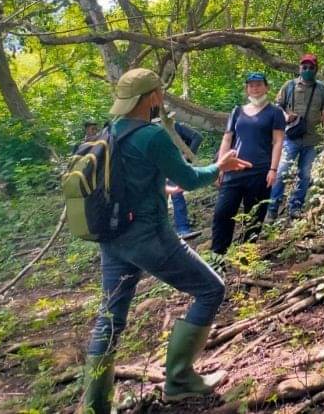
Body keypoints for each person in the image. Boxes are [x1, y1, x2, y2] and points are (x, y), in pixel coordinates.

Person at [81, 68, 251, 413]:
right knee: (210, 289)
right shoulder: (153, 135)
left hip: (113, 238)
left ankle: (95, 405)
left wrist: (160, 187)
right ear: (154, 97)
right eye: (159, 93)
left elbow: (125, 181)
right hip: (150, 236)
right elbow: (190, 179)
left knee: (110, 316)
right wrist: (221, 165)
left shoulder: (109, 132)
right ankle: (179, 380)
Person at [211, 72, 285, 254]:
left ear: (266, 87)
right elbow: (227, 140)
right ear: (247, 89)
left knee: (254, 217)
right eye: (251, 85)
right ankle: (217, 257)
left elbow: (278, 142)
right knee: (222, 213)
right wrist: (219, 167)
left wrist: (273, 169)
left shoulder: (275, 112)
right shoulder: (237, 111)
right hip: (233, 171)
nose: (255, 88)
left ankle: (246, 257)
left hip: (260, 171)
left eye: (259, 84)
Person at [267, 55, 324, 220]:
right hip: (290, 136)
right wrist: (286, 115)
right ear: (300, 68)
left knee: (305, 174)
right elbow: (277, 105)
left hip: (312, 139)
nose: (307, 70)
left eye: (311, 67)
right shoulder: (290, 86)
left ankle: (295, 207)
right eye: (304, 67)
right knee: (281, 171)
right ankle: (272, 209)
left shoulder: (321, 88)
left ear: (316, 69)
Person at [164, 118, 204, 240]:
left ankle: (182, 229)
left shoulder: (176, 126)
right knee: (161, 198)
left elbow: (197, 137)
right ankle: (164, 232)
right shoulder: (151, 130)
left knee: (176, 195)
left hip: (174, 166)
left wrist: (187, 156)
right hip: (159, 166)